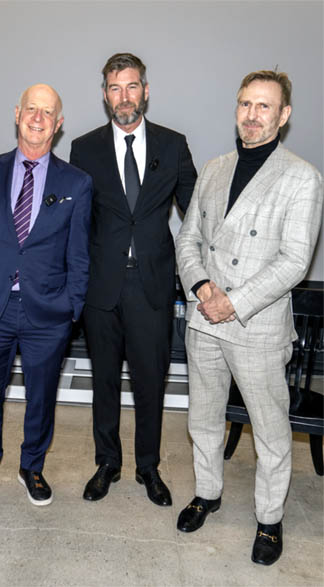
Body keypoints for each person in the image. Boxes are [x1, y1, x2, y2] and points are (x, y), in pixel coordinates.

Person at [175, 70, 323, 565]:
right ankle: (207, 492)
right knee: (203, 418)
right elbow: (188, 238)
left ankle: (269, 519)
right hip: (204, 318)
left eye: (264, 107)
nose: (252, 116)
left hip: (254, 324)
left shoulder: (301, 177)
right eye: (245, 104)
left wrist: (233, 301)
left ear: (283, 116)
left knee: (270, 429)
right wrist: (200, 287)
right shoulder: (215, 168)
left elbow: (295, 260)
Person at [0, 84, 92, 508]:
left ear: (58, 123)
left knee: (41, 397)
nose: (37, 118)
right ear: (17, 113)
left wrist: (72, 307)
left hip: (48, 312)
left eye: (47, 112)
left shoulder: (77, 182)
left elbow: (80, 254)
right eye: (31, 108)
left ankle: (32, 466)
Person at [70, 53, 197, 506]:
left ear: (145, 90)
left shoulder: (173, 144)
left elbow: (196, 215)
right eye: (114, 88)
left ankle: (148, 465)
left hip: (152, 286)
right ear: (105, 95)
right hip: (101, 289)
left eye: (131, 86)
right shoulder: (84, 149)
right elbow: (76, 223)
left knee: (150, 380)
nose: (123, 96)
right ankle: (107, 462)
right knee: (103, 379)